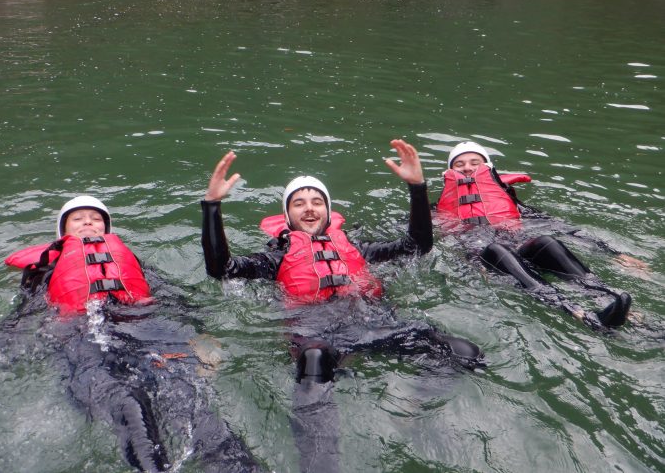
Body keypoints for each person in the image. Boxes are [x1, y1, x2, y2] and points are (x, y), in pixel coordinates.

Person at [201, 139, 484, 473]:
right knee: (314, 357)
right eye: (299, 203)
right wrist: (212, 206)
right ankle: (321, 465)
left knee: (463, 351)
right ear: (288, 215)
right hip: (318, 337)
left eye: (317, 202)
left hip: (374, 326)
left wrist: (417, 187)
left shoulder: (357, 247)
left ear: (328, 210)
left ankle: (411, 407)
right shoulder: (276, 257)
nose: (309, 208)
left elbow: (417, 246)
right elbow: (222, 269)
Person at [4, 196, 262, 473]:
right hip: (82, 334)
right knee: (127, 404)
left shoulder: (128, 259)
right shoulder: (45, 269)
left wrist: (201, 334)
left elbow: (171, 296)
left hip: (141, 326)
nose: (88, 222)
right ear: (62, 230)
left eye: (96, 218)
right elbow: (20, 319)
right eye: (78, 219)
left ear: (106, 228)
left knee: (186, 394)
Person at [435, 141, 633, 330]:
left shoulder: (513, 203)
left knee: (546, 242)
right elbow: (422, 239)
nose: (467, 168)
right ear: (449, 171)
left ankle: (613, 304)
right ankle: (577, 313)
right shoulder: (436, 211)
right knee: (496, 249)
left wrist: (613, 253)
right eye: (459, 164)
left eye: (474, 162)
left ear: (487, 167)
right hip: (484, 257)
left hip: (517, 246)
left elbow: (560, 226)